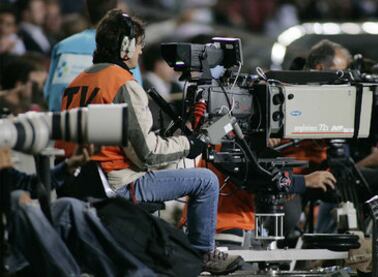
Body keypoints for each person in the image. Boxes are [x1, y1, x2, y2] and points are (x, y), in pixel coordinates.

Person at [57, 9, 243, 275]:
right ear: (126, 47)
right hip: (117, 185)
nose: (141, 53)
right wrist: (190, 145)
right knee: (206, 180)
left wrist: (177, 140)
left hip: (82, 183)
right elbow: (146, 154)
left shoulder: (78, 81)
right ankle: (201, 254)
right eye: (140, 46)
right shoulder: (123, 83)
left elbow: (112, 142)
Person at [0, 147, 155, 276]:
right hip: (8, 257)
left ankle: (136, 273)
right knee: (17, 201)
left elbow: (30, 185)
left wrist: (69, 166)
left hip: (14, 241)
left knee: (67, 207)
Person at [302, 39, 378, 232]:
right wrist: (369, 162)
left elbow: (339, 164)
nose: (346, 81)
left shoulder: (337, 101)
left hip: (329, 175)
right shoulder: (297, 97)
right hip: (300, 178)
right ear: (319, 68)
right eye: (341, 72)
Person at [44, 0, 142, 112]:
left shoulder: (62, 47)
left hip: (62, 125)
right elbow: (134, 102)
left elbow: (49, 96)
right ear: (115, 13)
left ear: (86, 11)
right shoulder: (123, 50)